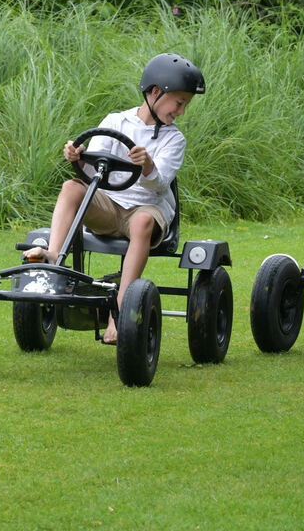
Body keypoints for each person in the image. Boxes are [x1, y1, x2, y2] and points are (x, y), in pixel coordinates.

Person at [23, 53, 204, 343]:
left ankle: (118, 314)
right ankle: (55, 257)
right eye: (179, 103)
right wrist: (77, 156)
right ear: (156, 93)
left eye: (185, 105)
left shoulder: (173, 139)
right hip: (110, 203)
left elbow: (160, 185)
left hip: (148, 208)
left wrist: (147, 165)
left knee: (143, 221)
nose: (181, 111)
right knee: (71, 187)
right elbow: (92, 171)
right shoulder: (116, 121)